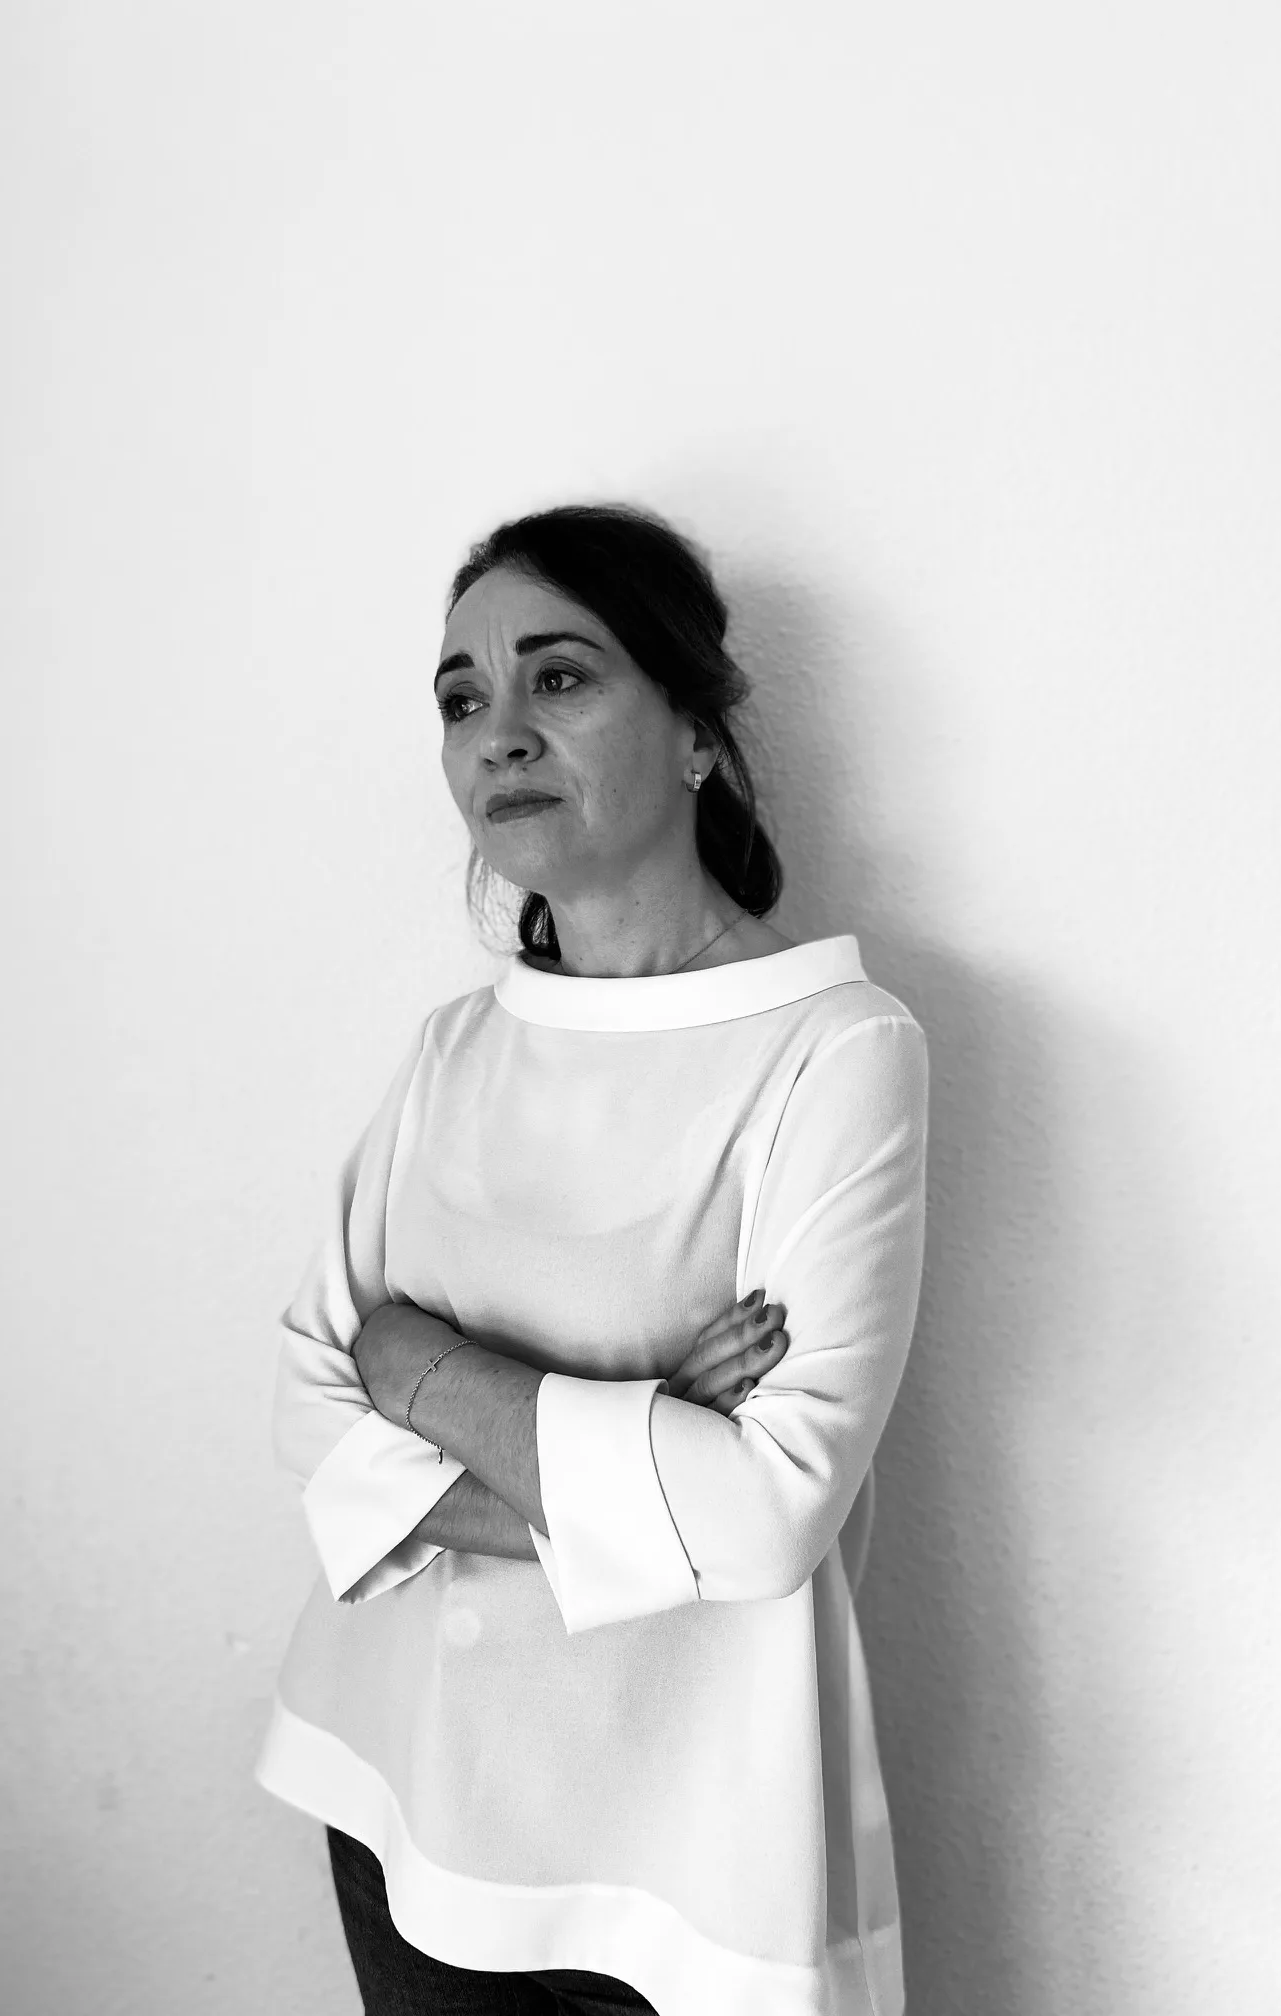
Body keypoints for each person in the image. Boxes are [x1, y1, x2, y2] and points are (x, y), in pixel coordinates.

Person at [254, 502, 930, 2016]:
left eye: (557, 676)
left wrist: (420, 1366)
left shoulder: (835, 1051)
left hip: (680, 1866)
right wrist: (645, 1432)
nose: (497, 732)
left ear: (695, 730)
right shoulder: (456, 1047)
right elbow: (305, 1405)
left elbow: (763, 1520)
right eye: (460, 698)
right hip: (398, 1788)